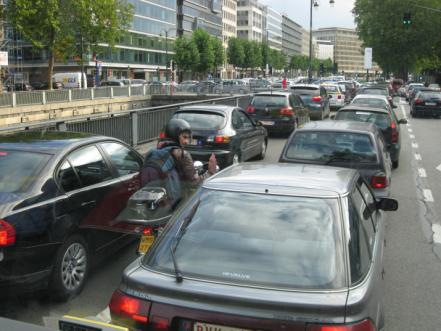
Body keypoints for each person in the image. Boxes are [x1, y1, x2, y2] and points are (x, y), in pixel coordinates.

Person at [158, 118, 217, 186]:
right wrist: (210, 173)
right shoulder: (183, 155)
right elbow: (194, 183)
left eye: (188, 138)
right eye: (184, 137)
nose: (187, 142)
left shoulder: (156, 150)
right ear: (175, 136)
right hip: (174, 195)